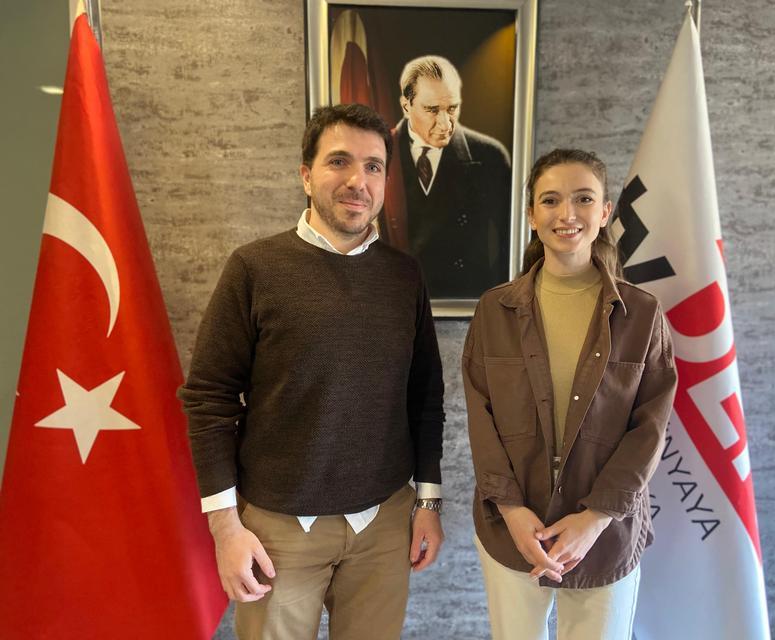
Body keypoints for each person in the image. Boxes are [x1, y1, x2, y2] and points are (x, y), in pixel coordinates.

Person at [179, 104, 445, 640]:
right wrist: (225, 527)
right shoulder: (254, 268)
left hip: (383, 524)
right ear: (306, 175)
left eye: (373, 167)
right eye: (339, 162)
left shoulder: (403, 276)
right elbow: (209, 399)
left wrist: (428, 502)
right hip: (278, 528)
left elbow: (425, 396)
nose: (357, 181)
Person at [462, 149, 678, 639]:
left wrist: (596, 517)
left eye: (583, 199)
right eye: (550, 200)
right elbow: (481, 417)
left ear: (605, 212)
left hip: (606, 532)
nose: (567, 214)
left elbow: (651, 428)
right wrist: (512, 511)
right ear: (530, 214)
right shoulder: (494, 310)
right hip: (512, 529)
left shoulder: (642, 314)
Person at [379, 55, 511, 299]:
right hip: (397, 299)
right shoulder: (379, 152)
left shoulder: (490, 156)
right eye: (432, 110)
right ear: (406, 106)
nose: (445, 123)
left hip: (466, 300)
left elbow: (508, 246)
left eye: (452, 109)